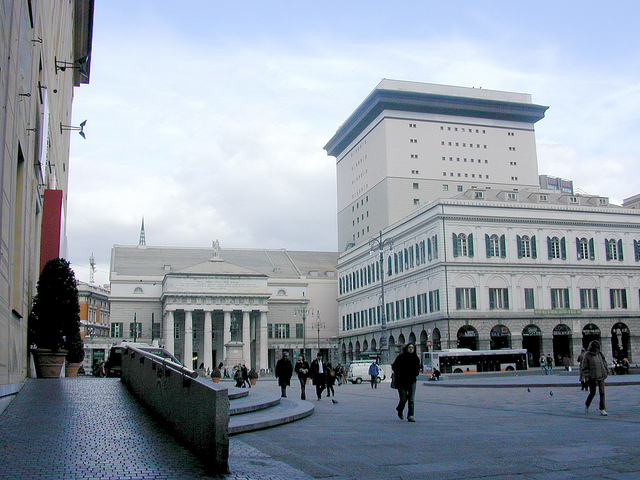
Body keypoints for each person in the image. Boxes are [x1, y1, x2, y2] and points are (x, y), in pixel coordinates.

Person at [392, 343, 421, 422]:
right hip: (401, 381)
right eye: (409, 347)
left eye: (412, 347)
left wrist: (416, 373)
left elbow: (418, 367)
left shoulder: (416, 358)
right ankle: (399, 409)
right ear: (406, 348)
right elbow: (394, 366)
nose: (411, 349)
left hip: (412, 381)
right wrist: (398, 373)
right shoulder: (401, 357)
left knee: (411, 399)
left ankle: (410, 415)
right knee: (403, 399)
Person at [581, 340, 609, 416]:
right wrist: (587, 375)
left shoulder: (600, 354)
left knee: (602, 392)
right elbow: (584, 367)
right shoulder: (587, 355)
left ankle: (602, 408)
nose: (596, 349)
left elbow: (604, 362)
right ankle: (587, 404)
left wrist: (606, 370)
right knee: (592, 392)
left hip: (601, 375)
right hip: (592, 376)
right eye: (595, 348)